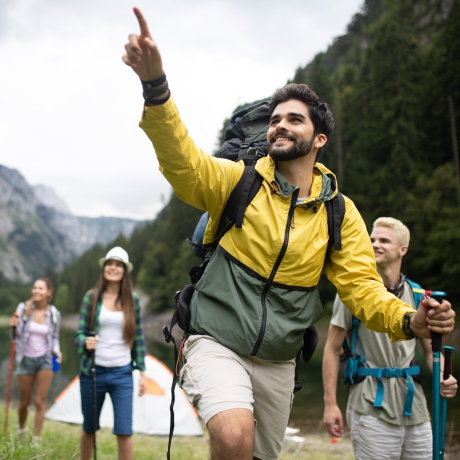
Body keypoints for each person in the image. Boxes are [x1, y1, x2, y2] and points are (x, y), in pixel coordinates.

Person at [122, 9, 455, 460]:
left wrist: (408, 320)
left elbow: (361, 289)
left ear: (319, 139)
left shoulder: (340, 212)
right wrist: (155, 86)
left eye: (294, 119)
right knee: (234, 436)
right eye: (276, 119)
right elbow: (183, 163)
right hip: (215, 340)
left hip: (279, 360)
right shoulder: (237, 181)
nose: (280, 124)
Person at [322, 217, 458, 460]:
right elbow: (332, 350)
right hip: (370, 406)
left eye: (384, 240)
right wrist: (330, 404)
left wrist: (443, 378)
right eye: (372, 239)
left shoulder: (418, 295)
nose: (375, 244)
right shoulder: (353, 293)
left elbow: (430, 353)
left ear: (402, 249)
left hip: (415, 409)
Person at [75, 246, 147, 460]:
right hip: (92, 372)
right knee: (89, 428)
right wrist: (85, 341)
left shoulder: (132, 300)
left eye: (118, 265)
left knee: (124, 431)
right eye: (109, 264)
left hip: (122, 374)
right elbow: (79, 334)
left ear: (124, 271)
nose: (113, 268)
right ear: (104, 268)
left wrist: (142, 373)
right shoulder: (91, 298)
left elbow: (139, 338)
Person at [9, 277, 61, 448]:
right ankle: (21, 429)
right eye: (34, 288)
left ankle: (36, 440)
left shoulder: (54, 314)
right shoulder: (24, 308)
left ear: (48, 292)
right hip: (24, 359)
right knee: (24, 402)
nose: (36, 291)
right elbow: (14, 337)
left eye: (40, 288)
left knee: (40, 402)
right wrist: (13, 326)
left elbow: (54, 338)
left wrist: (57, 351)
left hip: (45, 360)